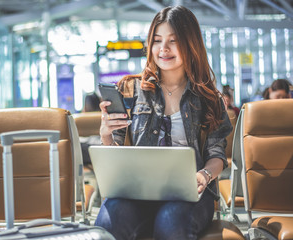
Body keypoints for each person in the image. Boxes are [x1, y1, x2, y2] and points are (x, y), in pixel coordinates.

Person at [96, 5, 232, 240]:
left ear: (191, 44)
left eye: (174, 41)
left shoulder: (209, 98)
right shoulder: (129, 89)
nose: (164, 49)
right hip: (136, 192)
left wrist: (204, 175)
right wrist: (106, 134)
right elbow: (114, 152)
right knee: (108, 220)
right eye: (157, 40)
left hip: (189, 195)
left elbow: (217, 155)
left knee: (171, 222)